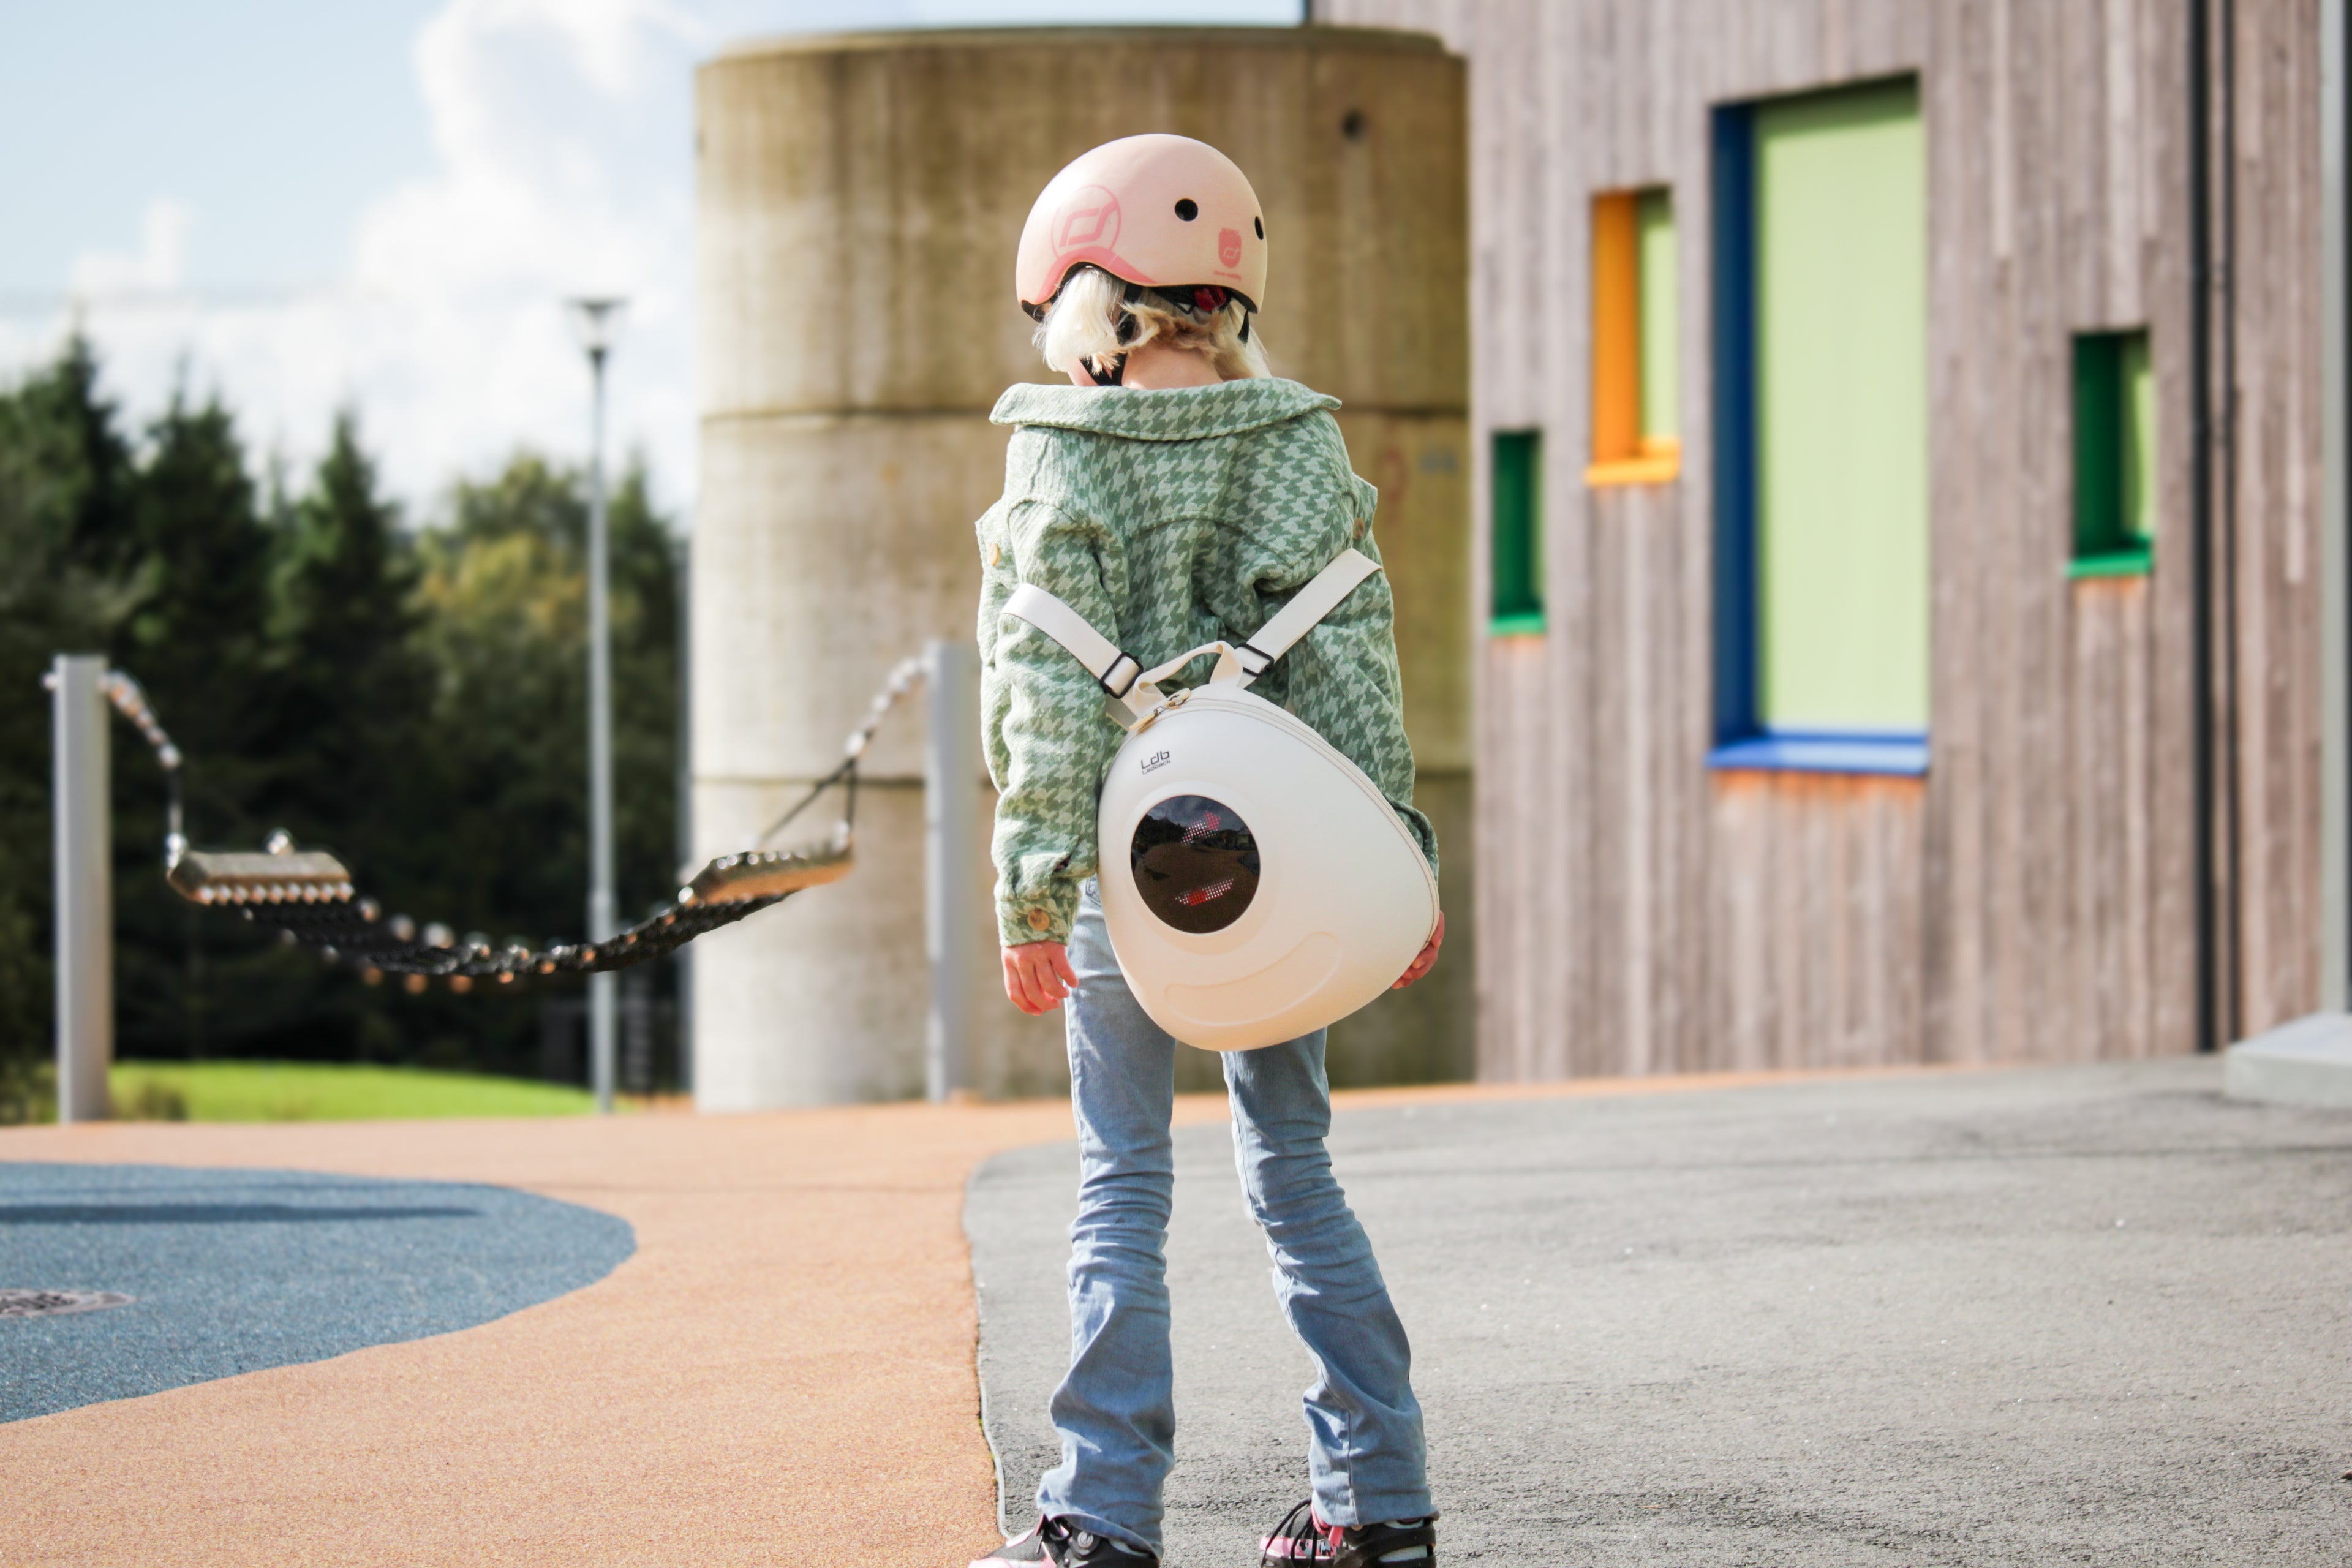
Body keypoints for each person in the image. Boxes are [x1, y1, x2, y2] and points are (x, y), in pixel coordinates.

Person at [969, 134, 1443, 1568]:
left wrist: (1031, 887)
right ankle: (1380, 1506)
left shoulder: (1057, 453)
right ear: (1226, 297)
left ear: (1087, 302)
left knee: (1122, 1181)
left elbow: (1043, 694)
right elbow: (1358, 670)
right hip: (1285, 874)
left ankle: (1103, 1520)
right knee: (1295, 1173)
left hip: (1134, 874)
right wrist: (1401, 861)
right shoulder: (1302, 443)